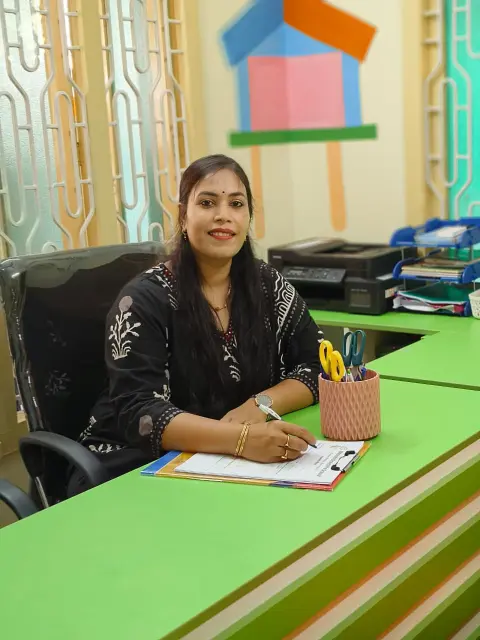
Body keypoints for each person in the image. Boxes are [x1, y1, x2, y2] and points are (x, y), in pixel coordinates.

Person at [73, 154, 322, 494]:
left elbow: (318, 367)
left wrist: (259, 405)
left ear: (248, 217)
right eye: (207, 202)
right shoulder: (143, 300)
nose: (223, 215)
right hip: (135, 467)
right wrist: (241, 440)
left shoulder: (268, 285)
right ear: (183, 216)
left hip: (226, 465)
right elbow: (140, 413)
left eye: (237, 204)